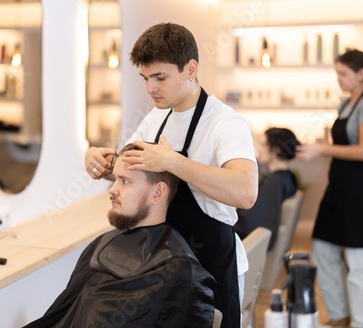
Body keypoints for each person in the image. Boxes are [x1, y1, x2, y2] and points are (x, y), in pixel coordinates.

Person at [85, 23, 258, 328]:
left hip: (211, 266)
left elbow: (245, 192)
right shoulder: (156, 117)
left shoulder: (225, 123)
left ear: (190, 69)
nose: (151, 88)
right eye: (146, 78)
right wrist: (103, 163)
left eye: (160, 77)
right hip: (161, 266)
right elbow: (136, 172)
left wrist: (175, 162)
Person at [26, 144, 217, 328]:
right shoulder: (100, 245)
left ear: (157, 193)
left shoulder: (181, 271)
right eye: (115, 178)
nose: (112, 189)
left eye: (125, 181)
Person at [296, 49, 363, 328]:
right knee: (323, 248)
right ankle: (339, 316)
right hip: (338, 187)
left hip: (358, 192)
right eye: (337, 73)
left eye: (343, 74)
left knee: (357, 261)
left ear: (361, 74)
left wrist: (322, 148)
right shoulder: (345, 104)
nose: (339, 79)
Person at [235, 127, 299, 251]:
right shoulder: (286, 177)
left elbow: (253, 224)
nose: (259, 149)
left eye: (263, 145)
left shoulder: (274, 183)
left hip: (246, 245)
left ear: (276, 150)